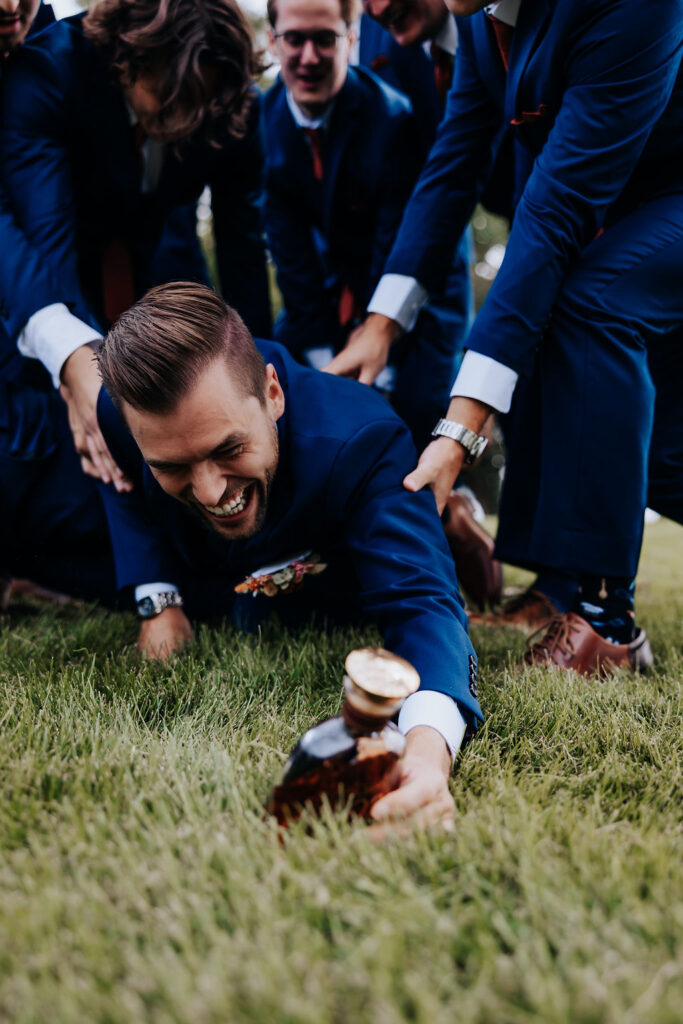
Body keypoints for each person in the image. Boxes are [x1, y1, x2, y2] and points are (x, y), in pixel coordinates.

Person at [326, 0, 683, 675]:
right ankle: (557, 588)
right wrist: (379, 327)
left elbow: (554, 211)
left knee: (589, 304)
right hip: (625, 210)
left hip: (658, 197)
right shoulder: (475, 18)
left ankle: (607, 625)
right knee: (662, 457)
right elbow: (452, 164)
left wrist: (459, 431)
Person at [96, 280, 484, 831]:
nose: (208, 492)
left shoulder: (364, 439)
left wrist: (425, 755)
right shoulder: (115, 412)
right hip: (205, 569)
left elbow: (421, 605)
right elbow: (121, 488)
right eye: (172, 465)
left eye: (228, 449)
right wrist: (158, 599)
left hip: (335, 576)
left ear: (273, 394)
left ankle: (453, 524)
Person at [0, 0, 271, 492]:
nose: (186, 118)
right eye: (171, 98)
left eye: (199, 101)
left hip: (154, 269)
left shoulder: (226, 100)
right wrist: (79, 367)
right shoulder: (49, 70)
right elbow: (48, 239)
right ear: (129, 57)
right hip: (49, 285)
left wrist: (254, 374)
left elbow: (243, 250)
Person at [264, 0, 465, 454]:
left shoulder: (393, 121)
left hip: (415, 295)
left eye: (325, 39)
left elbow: (395, 248)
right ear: (273, 42)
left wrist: (379, 359)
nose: (309, 57)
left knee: (418, 432)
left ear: (351, 40)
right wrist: (324, 370)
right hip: (323, 301)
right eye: (295, 39)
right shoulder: (260, 124)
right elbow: (290, 259)